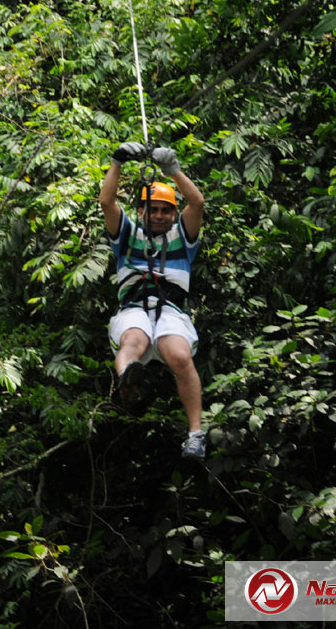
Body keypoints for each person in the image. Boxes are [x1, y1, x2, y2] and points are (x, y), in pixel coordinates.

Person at [99, 141, 207, 460]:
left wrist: (173, 171)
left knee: (179, 354)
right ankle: (128, 382)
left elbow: (197, 202)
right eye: (154, 210)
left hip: (171, 312)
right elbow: (107, 201)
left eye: (166, 210)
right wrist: (117, 162)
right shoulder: (128, 235)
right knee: (134, 339)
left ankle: (195, 435)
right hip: (133, 310)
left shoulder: (182, 238)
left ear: (173, 214)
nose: (159, 216)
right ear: (142, 211)